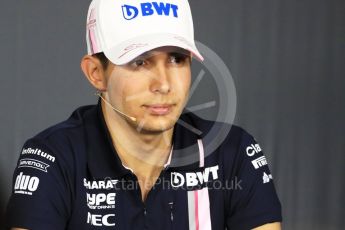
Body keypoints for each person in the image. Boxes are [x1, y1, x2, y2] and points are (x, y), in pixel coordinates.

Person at [5, 0, 282, 229]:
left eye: (176, 58)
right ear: (96, 73)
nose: (163, 84)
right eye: (140, 61)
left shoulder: (233, 152)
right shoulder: (54, 156)